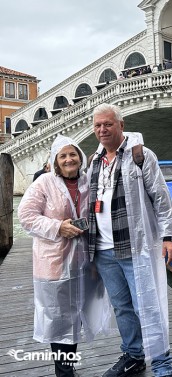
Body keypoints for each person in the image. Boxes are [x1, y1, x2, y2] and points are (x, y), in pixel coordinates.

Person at [88, 103, 172, 377]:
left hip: (134, 247)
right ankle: (133, 356)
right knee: (122, 307)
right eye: (98, 125)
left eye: (108, 124)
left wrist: (169, 236)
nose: (102, 130)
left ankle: (163, 365)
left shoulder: (141, 155)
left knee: (147, 306)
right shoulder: (94, 160)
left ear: (121, 125)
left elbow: (161, 198)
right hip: (103, 249)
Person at [18, 135, 110, 377]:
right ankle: (63, 372)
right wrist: (58, 227)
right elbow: (26, 216)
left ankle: (67, 367)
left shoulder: (88, 182)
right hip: (54, 262)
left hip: (84, 261)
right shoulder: (44, 183)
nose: (69, 159)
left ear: (80, 157)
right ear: (55, 162)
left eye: (72, 154)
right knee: (59, 318)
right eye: (63, 156)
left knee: (78, 316)